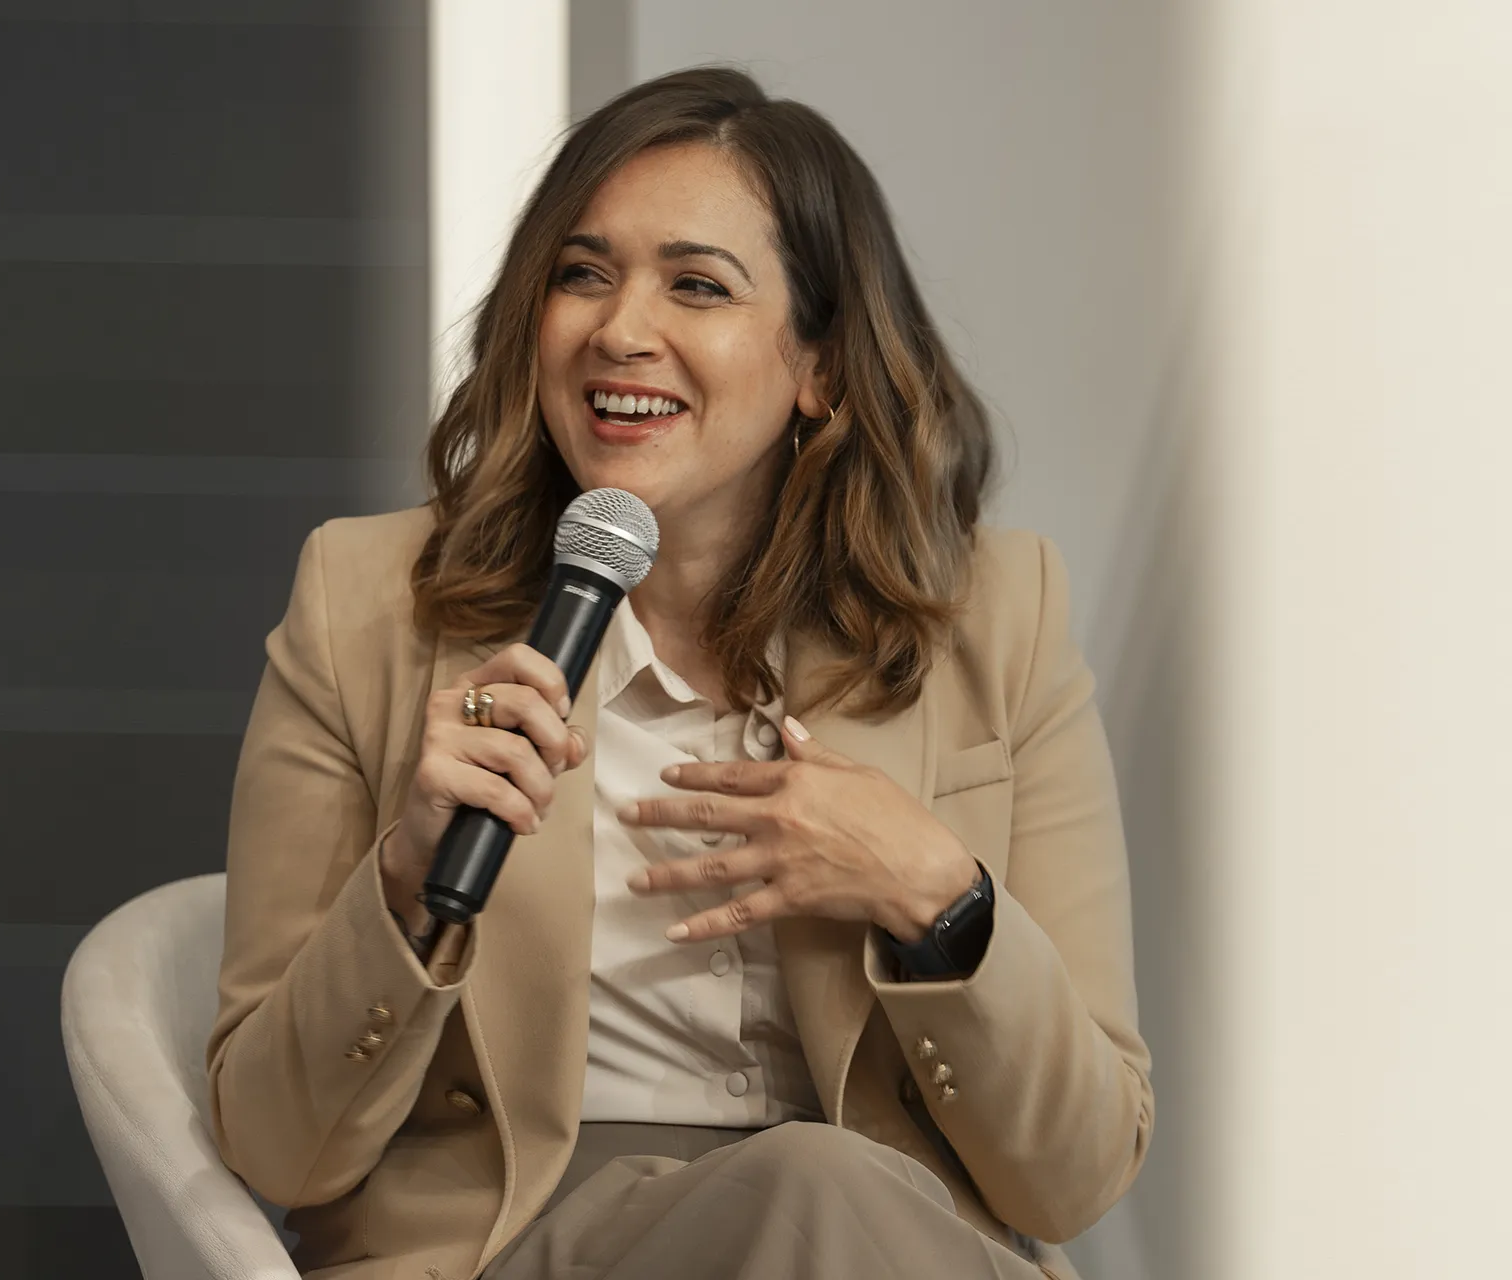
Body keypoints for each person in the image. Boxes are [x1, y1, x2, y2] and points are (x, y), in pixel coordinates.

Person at [206, 66, 1151, 1280]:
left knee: (821, 1187)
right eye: (582, 273)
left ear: (819, 365)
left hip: (872, 1236)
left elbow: (1075, 1174)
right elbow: (276, 1148)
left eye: (696, 284)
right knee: (810, 1184)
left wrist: (934, 893)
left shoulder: (1000, 619)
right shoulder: (366, 604)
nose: (620, 328)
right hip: (514, 1243)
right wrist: (404, 880)